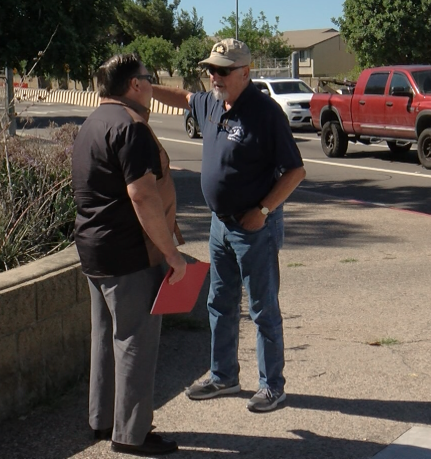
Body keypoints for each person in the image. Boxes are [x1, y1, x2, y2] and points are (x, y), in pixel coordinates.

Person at [151, 38, 306, 412]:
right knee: (218, 302)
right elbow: (183, 97)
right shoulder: (211, 102)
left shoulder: (265, 113)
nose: (213, 76)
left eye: (222, 70)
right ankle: (224, 376)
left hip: (254, 227)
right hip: (220, 227)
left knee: (262, 308)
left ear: (245, 72)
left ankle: (272, 386)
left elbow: (296, 171)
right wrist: (139, 85)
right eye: (211, 69)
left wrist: (264, 211)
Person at [72, 53, 187, 456]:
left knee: (105, 338)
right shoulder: (131, 127)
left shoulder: (92, 123)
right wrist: (171, 253)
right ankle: (132, 435)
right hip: (129, 254)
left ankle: (102, 420)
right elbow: (141, 193)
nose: (153, 85)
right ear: (135, 85)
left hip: (93, 250)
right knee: (136, 341)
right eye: (149, 78)